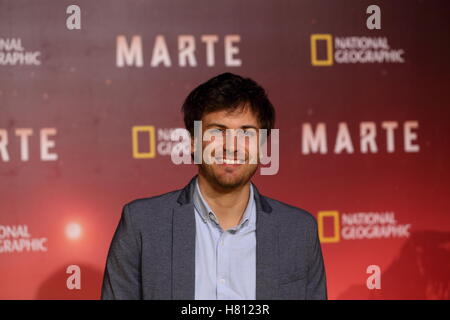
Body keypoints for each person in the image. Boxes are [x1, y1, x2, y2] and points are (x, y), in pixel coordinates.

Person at [101, 72, 327, 300]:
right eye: (218, 131)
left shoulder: (298, 231)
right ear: (192, 142)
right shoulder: (142, 224)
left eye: (247, 133)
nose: (232, 146)